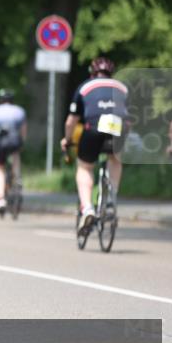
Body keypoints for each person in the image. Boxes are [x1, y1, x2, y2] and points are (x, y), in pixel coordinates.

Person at [61, 56, 128, 235]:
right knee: (115, 158)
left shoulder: (85, 87)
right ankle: (111, 197)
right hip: (117, 127)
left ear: (92, 73)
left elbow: (71, 121)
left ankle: (88, 208)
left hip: (93, 128)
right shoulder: (122, 88)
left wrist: (67, 139)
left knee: (85, 167)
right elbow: (130, 118)